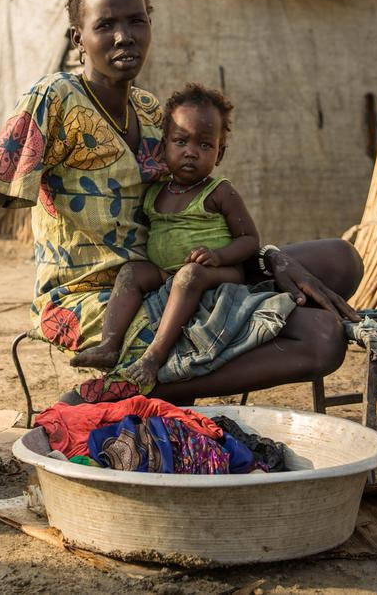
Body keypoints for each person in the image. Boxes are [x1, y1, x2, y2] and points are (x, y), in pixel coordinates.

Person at [0, 0, 362, 423]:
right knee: (322, 340)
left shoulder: (151, 110)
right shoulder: (52, 101)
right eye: (106, 25)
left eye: (136, 20)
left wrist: (270, 258)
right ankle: (121, 388)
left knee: (341, 259)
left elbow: (198, 210)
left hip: (167, 276)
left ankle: (165, 368)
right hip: (94, 300)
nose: (125, 36)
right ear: (79, 39)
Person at [69, 83, 257, 387]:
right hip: (164, 272)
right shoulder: (155, 192)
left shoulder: (219, 192)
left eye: (205, 146)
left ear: (220, 154)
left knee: (188, 276)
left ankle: (153, 357)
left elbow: (250, 239)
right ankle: (109, 345)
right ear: (164, 145)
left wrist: (218, 256)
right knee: (131, 272)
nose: (190, 153)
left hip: (217, 273)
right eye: (181, 141)